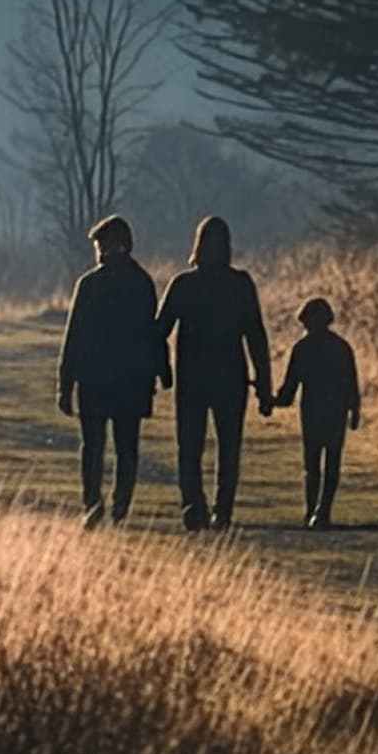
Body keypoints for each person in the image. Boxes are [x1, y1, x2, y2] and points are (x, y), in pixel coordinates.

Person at [153, 213, 272, 531]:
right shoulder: (240, 284)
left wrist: (159, 370)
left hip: (193, 377)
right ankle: (221, 510)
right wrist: (264, 385)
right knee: (227, 447)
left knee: (190, 447)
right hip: (231, 378)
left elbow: (158, 332)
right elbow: (256, 337)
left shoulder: (184, 285)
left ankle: (194, 506)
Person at [54, 213, 165, 527]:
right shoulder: (141, 283)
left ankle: (95, 504)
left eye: (103, 245)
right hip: (129, 380)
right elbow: (152, 334)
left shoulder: (90, 284)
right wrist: (159, 372)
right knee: (124, 446)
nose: (100, 252)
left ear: (120, 246)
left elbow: (73, 337)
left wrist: (66, 383)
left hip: (96, 380)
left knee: (94, 446)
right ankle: (116, 506)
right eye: (99, 246)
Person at [274, 295, 362, 529]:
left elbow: (290, 387)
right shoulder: (341, 347)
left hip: (312, 410)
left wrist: (271, 401)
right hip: (336, 410)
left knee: (311, 463)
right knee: (332, 461)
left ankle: (312, 509)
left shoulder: (302, 348)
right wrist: (355, 411)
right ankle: (323, 511)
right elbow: (351, 383)